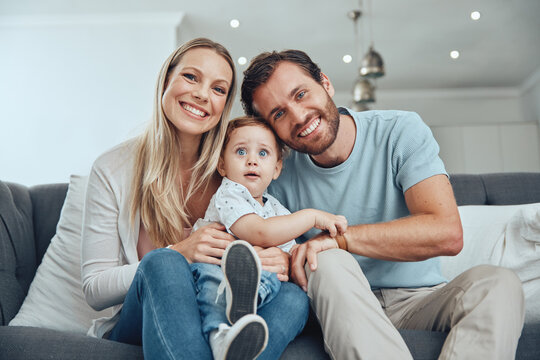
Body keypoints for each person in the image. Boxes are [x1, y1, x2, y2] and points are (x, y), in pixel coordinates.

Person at [240, 49, 525, 359]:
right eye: (278, 114)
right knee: (329, 262)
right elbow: (260, 243)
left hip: (420, 300)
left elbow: (447, 232)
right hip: (338, 305)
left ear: (326, 83)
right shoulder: (274, 173)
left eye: (301, 94)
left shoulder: (399, 131)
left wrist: (340, 240)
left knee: (500, 284)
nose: (298, 116)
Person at [80, 38, 309, 360]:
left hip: (222, 311)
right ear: (166, 80)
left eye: (218, 89)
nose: (202, 94)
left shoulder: (239, 167)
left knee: (294, 298)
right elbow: (94, 289)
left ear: (224, 105)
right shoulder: (114, 167)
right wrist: (181, 252)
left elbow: (270, 232)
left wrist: (279, 261)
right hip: (144, 318)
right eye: (191, 77)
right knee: (164, 262)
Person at [189, 116, 347, 358]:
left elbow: (289, 252)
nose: (252, 160)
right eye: (241, 151)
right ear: (222, 165)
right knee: (212, 286)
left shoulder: (275, 208)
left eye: (263, 153)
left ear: (276, 169)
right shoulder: (230, 194)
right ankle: (220, 337)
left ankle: (247, 304)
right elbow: (260, 233)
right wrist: (312, 217)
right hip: (214, 271)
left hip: (256, 288)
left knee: (288, 285)